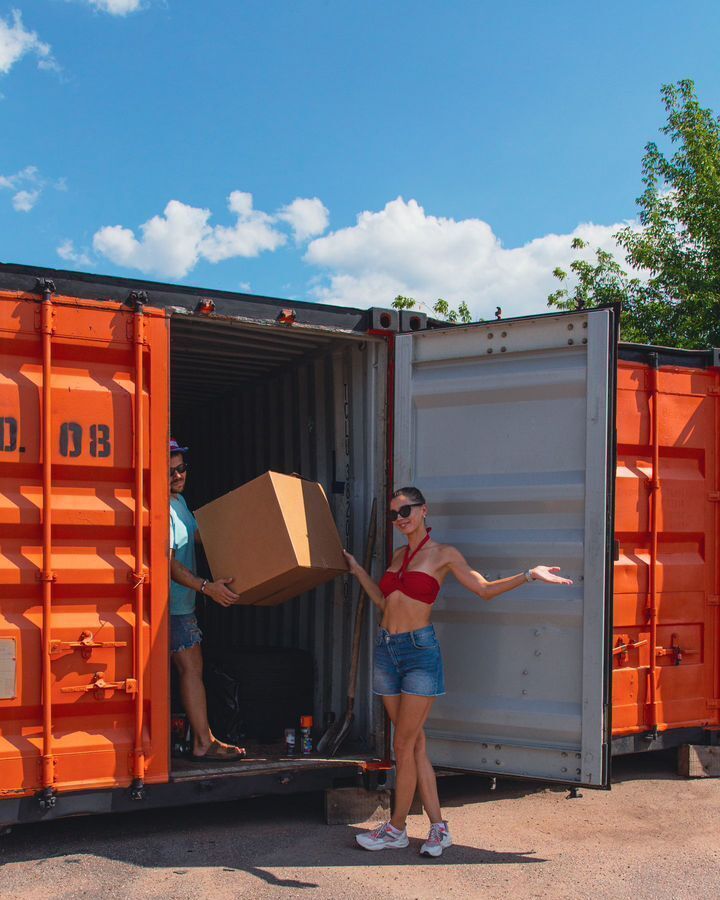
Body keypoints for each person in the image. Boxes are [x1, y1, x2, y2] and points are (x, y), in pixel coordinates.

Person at [344, 486, 573, 857]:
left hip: (419, 653)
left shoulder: (443, 555)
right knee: (414, 744)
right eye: (394, 514)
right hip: (387, 651)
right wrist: (357, 572)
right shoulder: (399, 555)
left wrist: (529, 575)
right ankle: (438, 827)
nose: (400, 519)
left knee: (402, 744)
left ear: (423, 511)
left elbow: (483, 590)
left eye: (406, 511)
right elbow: (384, 602)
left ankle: (397, 829)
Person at [169, 438, 245, 761]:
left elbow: (202, 534)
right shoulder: (162, 509)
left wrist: (254, 516)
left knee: (191, 670)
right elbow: (167, 563)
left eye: (181, 468)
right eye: (170, 471)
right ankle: (202, 740)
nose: (177, 475)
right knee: (190, 670)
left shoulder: (179, 503)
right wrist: (206, 587)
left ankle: (202, 739)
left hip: (182, 605)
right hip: (171, 609)